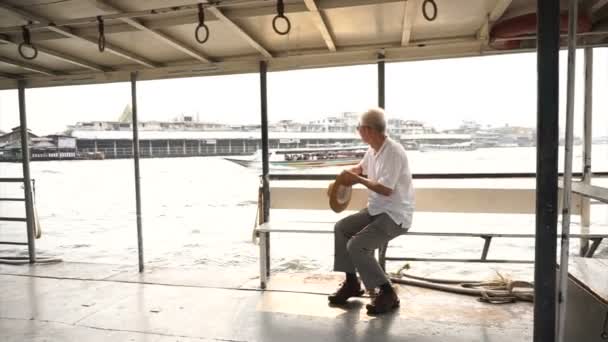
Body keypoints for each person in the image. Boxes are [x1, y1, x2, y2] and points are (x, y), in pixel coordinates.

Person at [328, 108, 414, 315]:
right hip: (376, 210)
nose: (358, 131)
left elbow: (385, 189)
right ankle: (351, 284)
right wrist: (344, 177)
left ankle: (387, 292)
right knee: (342, 228)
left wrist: (357, 180)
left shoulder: (393, 152)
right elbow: (360, 168)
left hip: (395, 215)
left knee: (357, 245)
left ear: (366, 130)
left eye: (358, 127)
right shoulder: (373, 149)